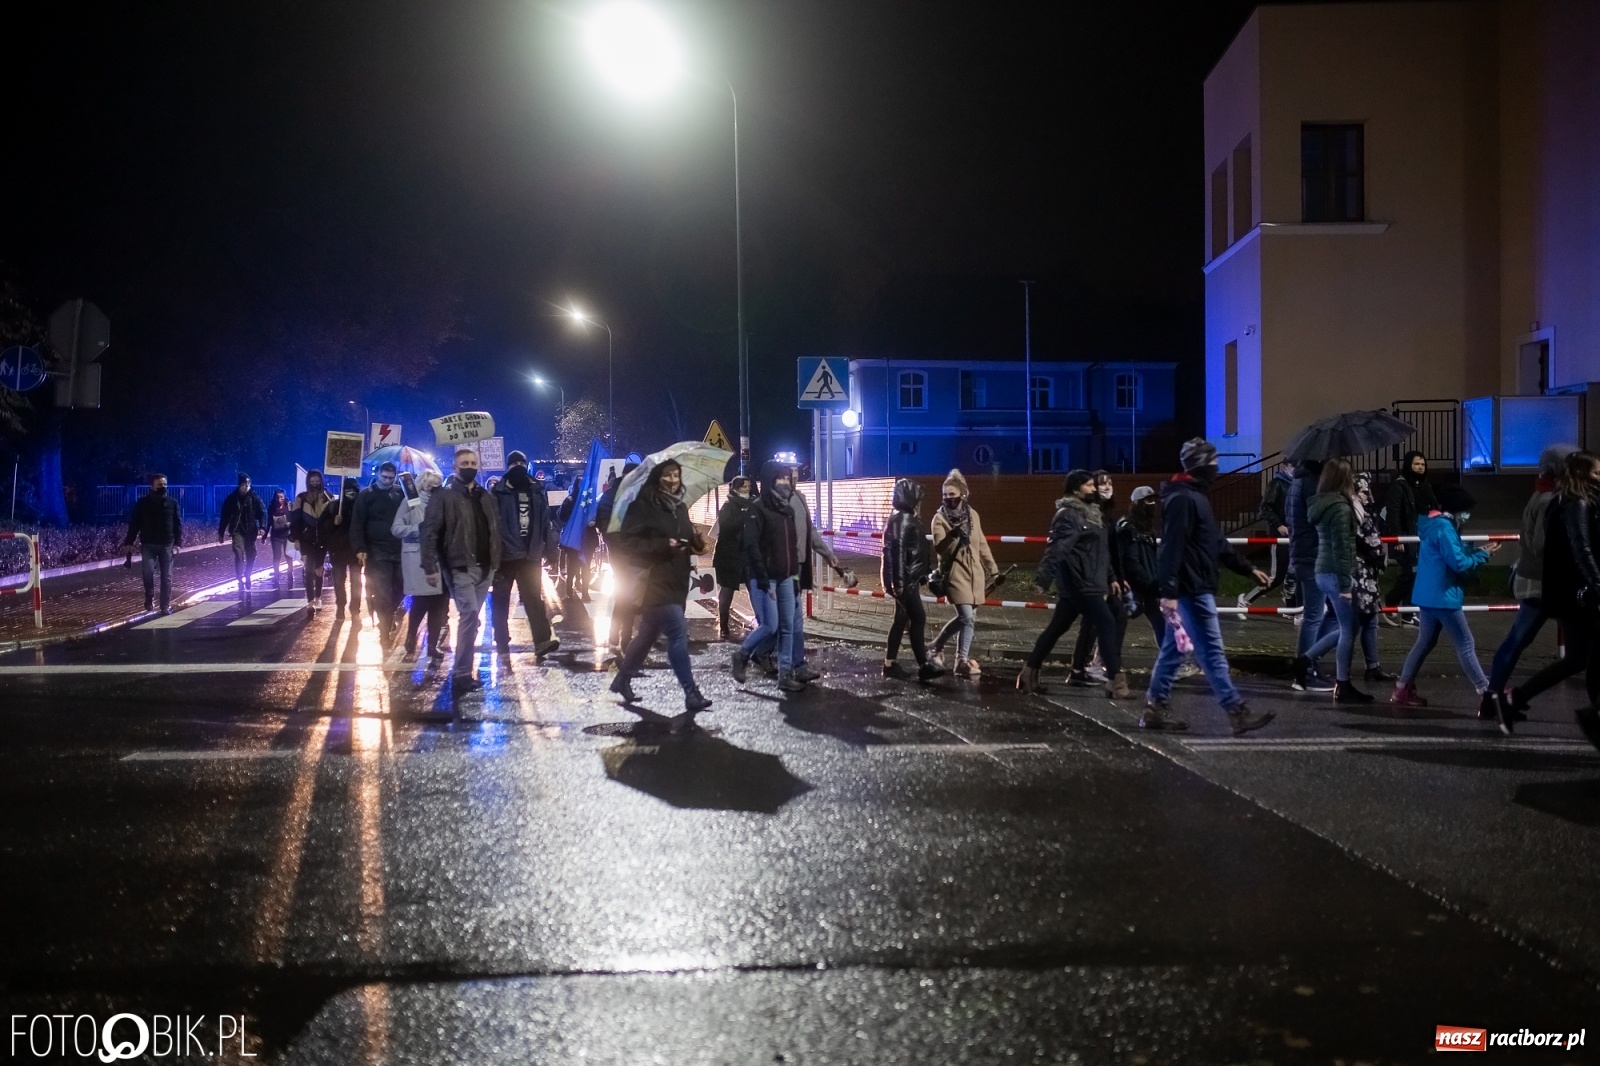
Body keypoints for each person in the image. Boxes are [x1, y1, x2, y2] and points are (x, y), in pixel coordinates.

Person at [1142, 438, 1274, 735]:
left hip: (1193, 585)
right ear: (1201, 464)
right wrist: (1170, 592)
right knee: (1211, 651)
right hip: (1192, 588)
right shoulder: (1184, 499)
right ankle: (1235, 710)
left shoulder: (1193, 497)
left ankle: (1155, 708)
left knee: (1175, 650)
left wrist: (1248, 568)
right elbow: (1172, 547)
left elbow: (1215, 542)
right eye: (1213, 462)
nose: (1216, 467)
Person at [1496, 451, 1600, 739]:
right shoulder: (1575, 504)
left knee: (1581, 658)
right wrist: (1597, 584)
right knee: (1582, 658)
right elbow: (1582, 550)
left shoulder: (1572, 502)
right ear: (1580, 474)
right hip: (1577, 596)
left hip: (1571, 594)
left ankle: (1515, 699)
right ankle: (1593, 716)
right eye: (1596, 473)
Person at [607, 459, 713, 718]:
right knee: (677, 633)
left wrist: (696, 543)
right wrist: (663, 545)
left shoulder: (679, 507)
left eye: (676, 475)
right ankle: (691, 693)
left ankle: (622, 680)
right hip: (653, 581)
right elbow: (628, 543)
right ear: (657, 478)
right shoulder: (643, 506)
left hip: (676, 580)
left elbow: (686, 539)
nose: (673, 480)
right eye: (667, 475)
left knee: (646, 636)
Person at [1018, 470, 1130, 698]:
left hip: (1089, 582)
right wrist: (1044, 577)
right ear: (1075, 489)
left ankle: (1028, 675)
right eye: (1089, 485)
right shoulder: (1068, 514)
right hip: (1081, 583)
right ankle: (1116, 683)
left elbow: (1101, 551)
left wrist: (1111, 578)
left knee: (1057, 628)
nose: (1094, 489)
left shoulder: (1093, 513)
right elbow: (1057, 548)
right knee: (1107, 623)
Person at [1487, 444, 1576, 725]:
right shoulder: (1551, 498)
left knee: (1517, 641)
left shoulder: (1541, 492)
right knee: (1574, 650)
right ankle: (1497, 698)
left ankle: (1493, 699)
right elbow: (1540, 543)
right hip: (1544, 583)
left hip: (1536, 580)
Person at [1391, 483, 1499, 707]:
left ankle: (1402, 689)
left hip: (1426, 594)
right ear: (1459, 510)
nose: (1468, 515)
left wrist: (1478, 551)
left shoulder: (1434, 525)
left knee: (1424, 642)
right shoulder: (1445, 528)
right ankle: (1487, 690)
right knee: (1466, 643)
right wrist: (1481, 556)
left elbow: (1448, 555)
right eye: (1467, 511)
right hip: (1444, 595)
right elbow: (1458, 563)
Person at [421, 446, 501, 696]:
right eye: (464, 463)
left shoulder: (485, 496)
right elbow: (429, 532)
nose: (469, 467)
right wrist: (430, 566)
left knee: (472, 620)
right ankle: (461, 674)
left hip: (485, 568)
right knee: (468, 617)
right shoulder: (443, 497)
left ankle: (464, 672)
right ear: (455, 467)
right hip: (460, 566)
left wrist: (498, 562)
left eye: (473, 463)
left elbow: (495, 530)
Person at [1299, 459, 1372, 703]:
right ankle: (1342, 684)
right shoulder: (1340, 508)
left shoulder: (1323, 503)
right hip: (1335, 573)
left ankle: (1303, 661)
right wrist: (1345, 586)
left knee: (1347, 627)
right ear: (1343, 479)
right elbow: (1342, 548)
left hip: (1323, 570)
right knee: (1349, 630)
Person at [732, 461, 802, 692]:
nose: (784, 483)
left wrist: (795, 578)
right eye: (779, 478)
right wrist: (761, 578)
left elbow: (791, 548)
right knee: (770, 626)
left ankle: (785, 674)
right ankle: (742, 654)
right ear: (770, 481)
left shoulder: (787, 511)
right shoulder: (757, 509)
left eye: (786, 478)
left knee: (787, 627)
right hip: (765, 578)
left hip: (785, 578)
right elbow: (751, 545)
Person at [491, 451, 561, 664]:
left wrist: (551, 550)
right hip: (505, 557)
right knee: (501, 601)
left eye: (522, 463)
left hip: (530, 555)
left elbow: (545, 523)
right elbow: (491, 526)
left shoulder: (536, 491)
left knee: (534, 601)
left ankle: (542, 642)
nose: (519, 467)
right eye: (515, 464)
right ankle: (501, 639)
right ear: (508, 466)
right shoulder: (498, 492)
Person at [928, 468, 999, 679]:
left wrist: (993, 571)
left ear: (963, 494)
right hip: (954, 573)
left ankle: (961, 661)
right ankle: (936, 645)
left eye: (952, 494)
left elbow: (982, 545)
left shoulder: (973, 515)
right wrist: (952, 535)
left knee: (971, 619)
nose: (949, 499)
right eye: (945, 495)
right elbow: (941, 549)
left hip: (975, 573)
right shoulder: (939, 519)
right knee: (965, 616)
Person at [882, 478, 945, 681]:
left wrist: (924, 572)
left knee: (902, 620)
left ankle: (891, 664)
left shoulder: (902, 518)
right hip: (905, 581)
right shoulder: (904, 520)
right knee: (917, 618)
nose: (920, 502)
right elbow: (899, 553)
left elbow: (911, 550)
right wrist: (900, 585)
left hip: (907, 579)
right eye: (918, 499)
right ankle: (922, 665)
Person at [1069, 471, 1128, 686]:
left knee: (1113, 617)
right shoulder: (1091, 513)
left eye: (1109, 483)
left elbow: (1110, 550)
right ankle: (1086, 667)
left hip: (1103, 576)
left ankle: (1098, 664)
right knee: (1093, 621)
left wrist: (1117, 577)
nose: (1106, 487)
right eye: (1101, 483)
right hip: (1093, 577)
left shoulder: (1105, 513)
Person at [1287, 458, 1334, 690]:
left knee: (1324, 613)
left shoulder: (1296, 481)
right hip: (1312, 553)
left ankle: (1311, 662)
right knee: (1315, 614)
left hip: (1303, 551)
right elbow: (1318, 518)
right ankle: (1305, 670)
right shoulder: (1311, 483)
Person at [393, 470, 449, 663]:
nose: (434, 490)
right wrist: (418, 530)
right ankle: (411, 636)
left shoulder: (443, 504)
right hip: (419, 560)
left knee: (439, 603)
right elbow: (396, 528)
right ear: (423, 486)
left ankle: (432, 645)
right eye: (431, 487)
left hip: (440, 559)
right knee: (422, 601)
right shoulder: (410, 503)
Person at [352, 461, 406, 645]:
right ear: (378, 475)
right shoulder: (366, 496)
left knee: (402, 587)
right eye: (384, 477)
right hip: (377, 552)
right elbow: (357, 523)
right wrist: (360, 548)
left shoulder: (401, 493)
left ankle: (387, 614)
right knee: (382, 592)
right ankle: (384, 631)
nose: (387, 480)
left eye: (391, 478)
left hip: (399, 550)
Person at [1383, 450, 1438, 624]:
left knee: (1418, 574)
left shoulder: (1426, 486)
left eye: (1422, 464)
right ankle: (1391, 602)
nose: (1420, 467)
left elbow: (1434, 507)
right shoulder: (1399, 486)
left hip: (1423, 536)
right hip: (1406, 537)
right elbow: (1394, 513)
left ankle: (1408, 613)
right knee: (1409, 573)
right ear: (1408, 465)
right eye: (1416, 464)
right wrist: (1398, 537)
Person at [1350, 471, 1395, 683]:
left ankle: (1373, 665)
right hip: (1363, 574)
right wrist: (1380, 558)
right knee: (1360, 623)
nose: (1367, 494)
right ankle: (1311, 660)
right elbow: (1371, 542)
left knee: (1369, 621)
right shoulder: (1361, 514)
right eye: (1364, 490)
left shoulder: (1355, 510)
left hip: (1362, 573)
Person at [122, 473, 183, 614]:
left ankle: (164, 606)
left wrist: (178, 543)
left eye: (164, 484)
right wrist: (129, 542)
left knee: (166, 576)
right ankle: (149, 598)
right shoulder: (143, 503)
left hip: (167, 544)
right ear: (152, 486)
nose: (163, 487)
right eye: (160, 485)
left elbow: (178, 524)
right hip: (148, 544)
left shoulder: (172, 503)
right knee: (148, 572)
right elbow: (135, 524)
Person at [596, 462, 640, 656]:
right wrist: (616, 541)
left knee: (628, 594)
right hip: (622, 551)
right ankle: (624, 637)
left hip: (637, 551)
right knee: (627, 593)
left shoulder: (641, 493)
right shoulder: (612, 494)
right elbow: (603, 521)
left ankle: (619, 635)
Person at [1116, 485, 1166, 649]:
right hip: (1130, 586)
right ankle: (1100, 661)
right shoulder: (1126, 528)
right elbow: (1129, 560)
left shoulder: (1149, 531)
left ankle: (1172, 662)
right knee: (1116, 623)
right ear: (1137, 503)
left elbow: (1151, 559)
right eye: (1148, 501)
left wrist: (1155, 581)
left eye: (1153, 500)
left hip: (1147, 585)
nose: (1152, 504)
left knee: (1159, 621)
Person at [1239, 467, 1293, 617]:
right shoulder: (1277, 483)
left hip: (1293, 535)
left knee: (1293, 574)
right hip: (1280, 535)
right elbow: (1265, 508)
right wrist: (1279, 525)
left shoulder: (1297, 484)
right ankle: (1246, 599)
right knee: (1276, 577)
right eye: (1294, 466)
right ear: (1287, 467)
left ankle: (1291, 608)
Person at [712, 476, 753, 641]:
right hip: (729, 556)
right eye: (743, 487)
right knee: (727, 591)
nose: (747, 490)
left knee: (755, 589)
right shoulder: (728, 506)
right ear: (735, 489)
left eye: (749, 487)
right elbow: (726, 527)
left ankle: (763, 622)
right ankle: (723, 625)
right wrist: (743, 518)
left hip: (748, 556)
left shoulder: (753, 505)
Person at [291, 470, 333, 610]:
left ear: (321, 481)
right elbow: (295, 520)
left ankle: (318, 597)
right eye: (312, 481)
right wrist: (296, 539)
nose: (315, 483)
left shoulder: (328, 497)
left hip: (323, 540)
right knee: (308, 569)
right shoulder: (301, 498)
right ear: (308, 482)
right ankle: (309, 600)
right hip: (306, 539)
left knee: (319, 569)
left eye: (317, 481)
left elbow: (332, 521)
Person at [217, 473, 266, 592]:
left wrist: (262, 527)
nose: (247, 486)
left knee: (251, 555)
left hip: (251, 531)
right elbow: (225, 516)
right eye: (244, 484)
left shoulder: (254, 498)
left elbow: (262, 512)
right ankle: (239, 578)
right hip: (237, 530)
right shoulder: (232, 499)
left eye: (248, 484)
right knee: (239, 554)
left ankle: (247, 574)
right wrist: (221, 533)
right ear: (239, 485)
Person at [325, 477, 363, 623]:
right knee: (339, 581)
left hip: (355, 551)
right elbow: (323, 527)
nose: (350, 494)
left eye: (353, 491)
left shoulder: (360, 507)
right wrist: (333, 522)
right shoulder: (334, 506)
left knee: (356, 581)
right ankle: (340, 606)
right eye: (347, 491)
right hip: (338, 551)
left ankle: (355, 609)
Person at [265, 488, 294, 593]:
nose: (279, 499)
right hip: (276, 535)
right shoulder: (271, 507)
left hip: (287, 535)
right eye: (277, 497)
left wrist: (290, 524)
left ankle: (290, 575)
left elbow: (294, 518)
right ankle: (276, 576)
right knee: (276, 556)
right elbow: (268, 521)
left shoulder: (289, 505)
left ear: (284, 497)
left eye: (281, 497)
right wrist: (265, 534)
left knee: (288, 556)